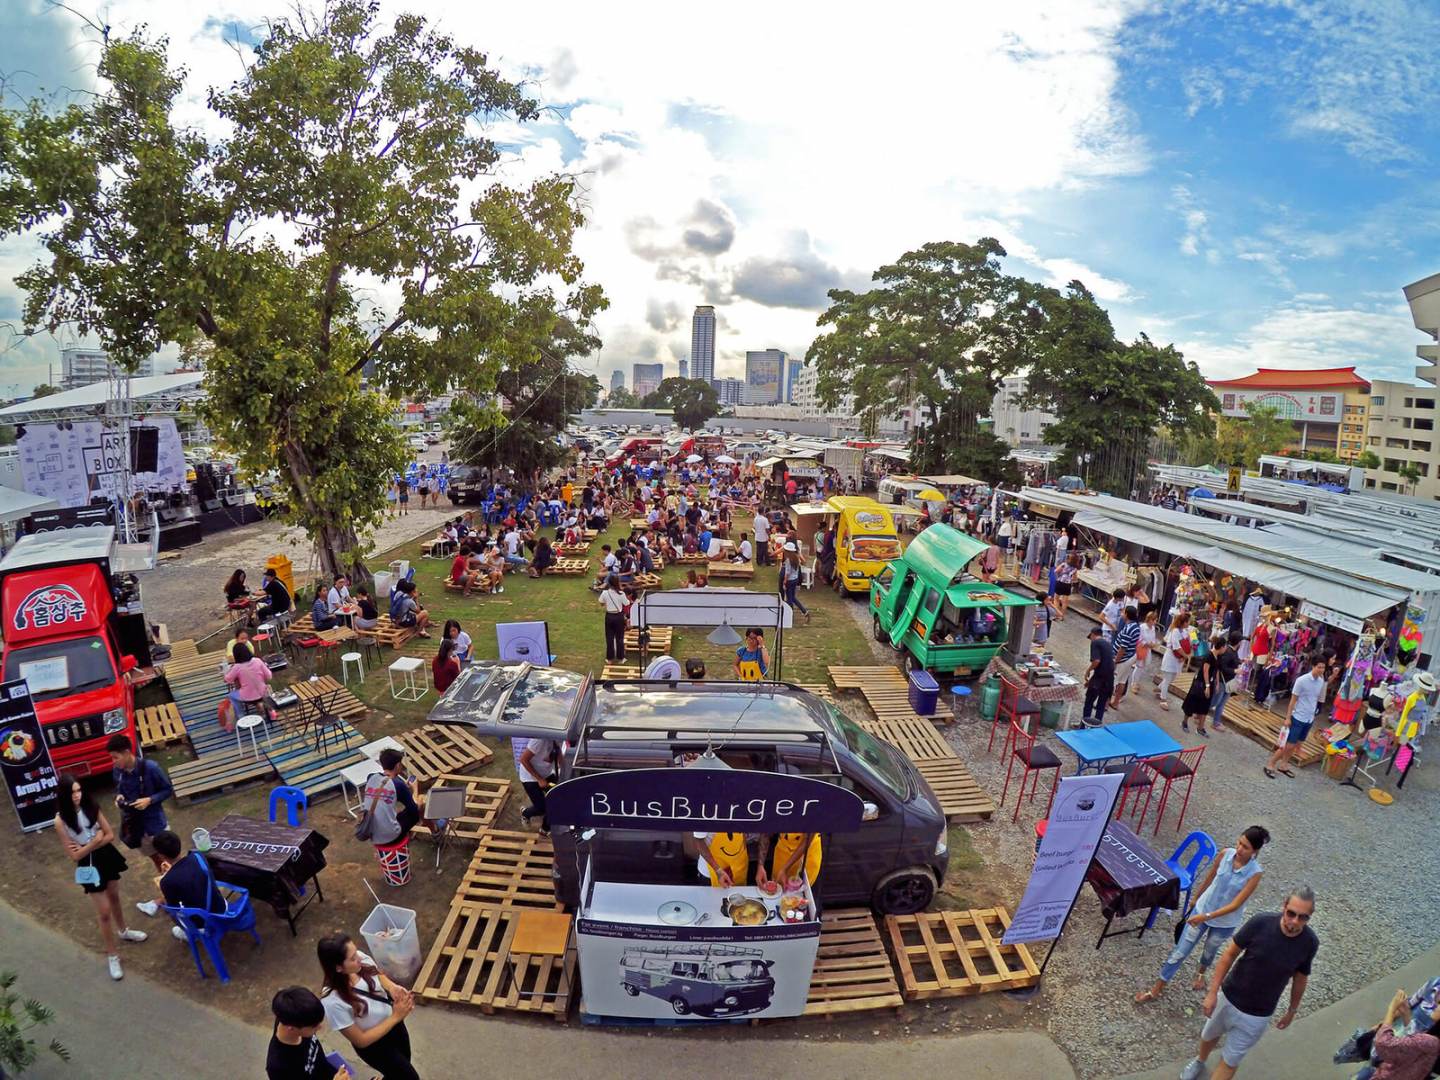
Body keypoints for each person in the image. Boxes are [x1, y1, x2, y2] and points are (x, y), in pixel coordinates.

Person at [1178, 887, 1319, 1080]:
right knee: (1209, 1034)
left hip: (1258, 1015)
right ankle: (1200, 1061)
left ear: (1310, 917)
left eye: (1303, 917)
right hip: (1228, 997)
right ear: (1284, 906)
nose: (1294, 922)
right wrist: (1212, 993)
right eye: (1291, 913)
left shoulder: (1310, 942)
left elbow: (1301, 978)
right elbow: (1229, 955)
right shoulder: (1260, 923)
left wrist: (1292, 1010)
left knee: (1231, 1061)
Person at [1135, 826, 1269, 1006]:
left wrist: (1206, 916)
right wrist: (1197, 897)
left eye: (1245, 847)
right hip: (1202, 909)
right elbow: (1211, 877)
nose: (1239, 849)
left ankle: (1201, 972)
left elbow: (1235, 905)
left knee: (1209, 951)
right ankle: (1157, 988)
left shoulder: (1255, 873)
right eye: (1239, 842)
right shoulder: (1225, 855)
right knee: (1180, 951)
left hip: (1224, 922)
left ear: (1255, 851)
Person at [54, 772, 148, 980]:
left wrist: (89, 845)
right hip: (88, 864)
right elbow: (74, 855)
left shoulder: (91, 807)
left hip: (106, 857)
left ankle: (123, 931)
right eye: (72, 793)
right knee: (104, 912)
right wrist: (94, 842)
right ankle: (112, 955)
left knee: (114, 896)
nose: (77, 796)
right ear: (63, 795)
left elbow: (109, 835)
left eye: (78, 791)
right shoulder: (60, 821)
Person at [317, 934, 418, 1080]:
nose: (358, 958)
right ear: (338, 968)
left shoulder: (360, 960)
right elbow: (361, 1040)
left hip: (395, 1026)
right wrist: (396, 1017)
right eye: (352, 958)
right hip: (377, 1046)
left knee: (402, 1066)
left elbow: (376, 974)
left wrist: (391, 987)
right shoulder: (332, 1001)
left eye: (356, 952)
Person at [107, 734, 173, 892]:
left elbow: (168, 790)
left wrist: (150, 800)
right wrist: (120, 798)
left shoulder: (151, 768)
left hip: (155, 824)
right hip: (136, 826)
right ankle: (167, 887)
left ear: (127, 752)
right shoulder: (117, 771)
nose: (113, 762)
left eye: (115, 757)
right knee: (155, 859)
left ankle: (178, 887)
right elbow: (120, 790)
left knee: (168, 858)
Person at [153, 829, 227, 934]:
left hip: (204, 923)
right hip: (221, 907)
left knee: (173, 916)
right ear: (179, 844)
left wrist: (164, 903)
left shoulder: (167, 881)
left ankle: (189, 934)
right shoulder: (197, 855)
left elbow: (175, 909)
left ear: (161, 855)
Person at [1265, 656, 1327, 779]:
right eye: (1319, 667)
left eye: (1323, 667)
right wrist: (1288, 718)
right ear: (1313, 666)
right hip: (1298, 716)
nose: (1321, 670)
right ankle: (1270, 764)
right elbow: (1293, 701)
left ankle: (1284, 764)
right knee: (1288, 745)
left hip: (1309, 717)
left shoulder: (1320, 681)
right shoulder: (1301, 680)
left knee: (1296, 744)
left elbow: (1315, 698)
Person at [267, 986, 346, 1080]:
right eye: (313, 1027)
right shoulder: (279, 1067)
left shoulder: (291, 1016)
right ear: (291, 1028)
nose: (320, 1028)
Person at [362, 749, 421, 849]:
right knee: (419, 806)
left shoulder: (371, 777)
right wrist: (415, 788)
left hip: (372, 833)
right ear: (398, 765)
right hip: (391, 837)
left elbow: (384, 791)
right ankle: (436, 833)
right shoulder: (398, 784)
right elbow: (414, 808)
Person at [224, 641, 273, 727]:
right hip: (262, 693)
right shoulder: (258, 661)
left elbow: (228, 679)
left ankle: (241, 716)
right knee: (265, 689)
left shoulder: (237, 667)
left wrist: (227, 672)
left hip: (247, 697)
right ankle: (266, 709)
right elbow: (269, 676)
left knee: (232, 696)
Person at [515, 735, 557, 832]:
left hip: (546, 773)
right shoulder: (539, 740)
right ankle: (525, 813)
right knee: (542, 808)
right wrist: (539, 779)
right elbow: (523, 759)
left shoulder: (558, 738)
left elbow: (557, 754)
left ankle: (545, 829)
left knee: (557, 799)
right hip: (530, 778)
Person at [1157, 611, 1193, 712]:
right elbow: (1176, 647)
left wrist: (1189, 649)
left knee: (1173, 677)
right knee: (1168, 678)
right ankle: (1163, 699)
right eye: (1188, 622)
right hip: (1171, 658)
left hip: (1179, 659)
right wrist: (1185, 656)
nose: (1189, 623)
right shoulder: (1175, 631)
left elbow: (1189, 643)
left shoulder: (1186, 632)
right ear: (1184, 622)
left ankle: (1160, 688)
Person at [1183, 639, 1219, 737]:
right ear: (1221, 646)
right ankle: (1185, 722)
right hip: (1200, 683)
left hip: (1210, 683)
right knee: (1191, 702)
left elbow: (1217, 670)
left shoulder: (1218, 656)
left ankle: (1200, 728)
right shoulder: (1209, 655)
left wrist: (1216, 683)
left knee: (1205, 706)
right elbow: (1205, 671)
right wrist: (1207, 685)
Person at [1108, 606, 1142, 710]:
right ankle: (1116, 702)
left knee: (1113, 681)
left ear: (1127, 614)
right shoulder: (1136, 626)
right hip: (1130, 656)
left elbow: (1123, 648)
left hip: (1123, 658)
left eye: (1123, 612)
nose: (1122, 613)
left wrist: (1115, 661)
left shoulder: (1129, 628)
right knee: (1122, 680)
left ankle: (1106, 703)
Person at [1082, 626, 1115, 727]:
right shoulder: (1108, 644)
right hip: (1109, 679)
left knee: (1089, 702)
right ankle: (1096, 728)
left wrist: (1088, 670)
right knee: (1101, 706)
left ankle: (1083, 726)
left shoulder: (1095, 643)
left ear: (1093, 634)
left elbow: (1097, 661)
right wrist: (1091, 681)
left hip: (1099, 679)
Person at [1211, 633, 1241, 731]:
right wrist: (1234, 671)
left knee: (1221, 703)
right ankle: (1199, 712)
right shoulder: (1228, 652)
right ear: (1238, 642)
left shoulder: (1233, 651)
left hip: (1229, 682)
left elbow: (1234, 661)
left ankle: (1216, 722)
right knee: (1215, 701)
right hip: (1222, 681)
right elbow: (1222, 667)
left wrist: (1241, 661)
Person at [599, 574, 628, 662]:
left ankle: (609, 658)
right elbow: (626, 603)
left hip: (609, 616)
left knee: (609, 637)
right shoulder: (621, 593)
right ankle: (621, 658)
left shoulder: (605, 593)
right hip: (619, 616)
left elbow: (601, 602)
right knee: (620, 638)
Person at [780, 543, 809, 622]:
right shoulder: (796, 557)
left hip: (789, 581)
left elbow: (787, 573)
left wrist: (784, 582)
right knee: (793, 598)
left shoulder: (788, 560)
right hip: (795, 579)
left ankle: (789, 615)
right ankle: (804, 611)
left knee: (789, 599)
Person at [1053, 553, 1079, 618]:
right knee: (1065, 602)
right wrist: (1070, 580)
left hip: (1060, 583)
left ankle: (1056, 614)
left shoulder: (1063, 565)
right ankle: (1062, 616)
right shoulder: (1075, 569)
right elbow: (1075, 579)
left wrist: (1058, 577)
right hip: (1067, 585)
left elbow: (1055, 571)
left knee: (1056, 599)